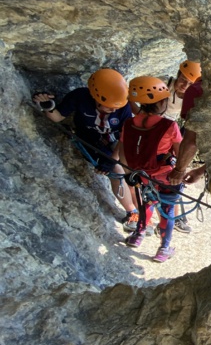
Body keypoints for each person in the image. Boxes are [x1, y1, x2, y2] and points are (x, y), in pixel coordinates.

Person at [32, 69, 138, 227]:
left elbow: (125, 136)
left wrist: (112, 159)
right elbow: (57, 117)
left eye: (115, 107)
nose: (113, 110)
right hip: (90, 140)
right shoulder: (80, 97)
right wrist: (47, 106)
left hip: (115, 140)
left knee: (130, 170)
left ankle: (141, 211)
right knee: (117, 171)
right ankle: (132, 212)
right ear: (95, 95)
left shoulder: (122, 106)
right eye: (108, 106)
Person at [128, 59, 201, 234]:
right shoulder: (160, 85)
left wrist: (181, 166)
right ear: (177, 75)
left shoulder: (194, 97)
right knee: (161, 173)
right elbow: (136, 99)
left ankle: (174, 216)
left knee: (175, 171)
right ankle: (148, 216)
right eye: (183, 79)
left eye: (190, 83)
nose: (185, 85)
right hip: (154, 125)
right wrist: (145, 119)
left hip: (172, 127)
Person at [118, 76, 183, 262]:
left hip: (141, 175)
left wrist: (129, 173)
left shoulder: (129, 123)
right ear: (162, 101)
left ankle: (138, 236)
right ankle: (164, 248)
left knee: (147, 202)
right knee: (167, 209)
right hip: (165, 176)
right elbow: (180, 153)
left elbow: (123, 149)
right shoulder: (169, 126)